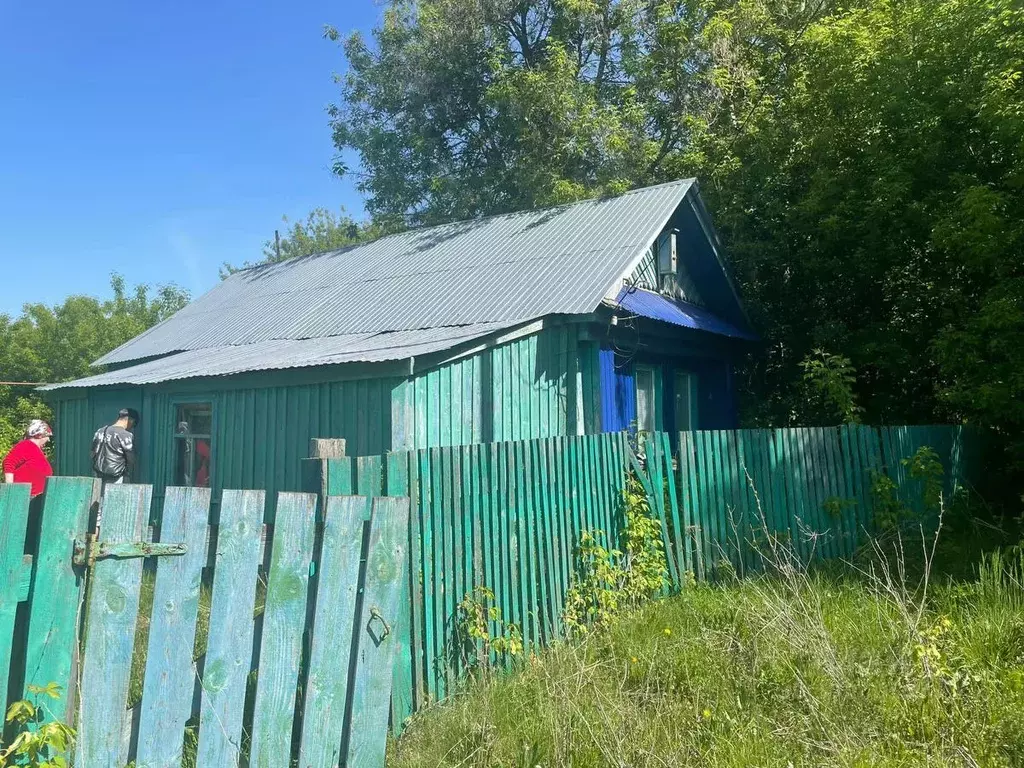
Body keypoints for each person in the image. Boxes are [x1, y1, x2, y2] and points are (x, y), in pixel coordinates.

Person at [2, 420, 54, 497]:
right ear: (39, 435)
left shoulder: (36, 449)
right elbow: (9, 463)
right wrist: (10, 491)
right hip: (23, 498)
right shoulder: (27, 445)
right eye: (47, 436)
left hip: (34, 498)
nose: (48, 440)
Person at [91, 408, 139, 485]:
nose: (131, 428)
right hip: (117, 477)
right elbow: (131, 460)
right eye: (133, 425)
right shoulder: (126, 435)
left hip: (98, 475)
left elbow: (92, 454)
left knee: (98, 496)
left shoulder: (100, 431)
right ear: (131, 420)